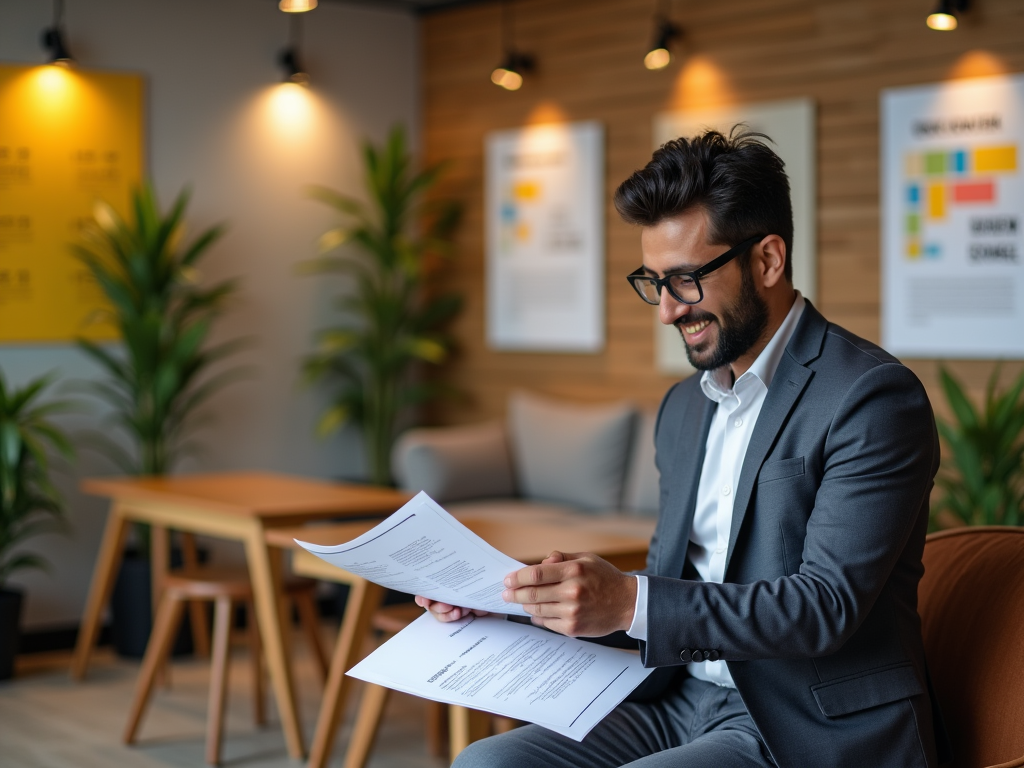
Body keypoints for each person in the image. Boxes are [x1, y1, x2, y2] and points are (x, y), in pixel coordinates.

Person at [415, 128, 947, 768]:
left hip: (801, 722)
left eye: (686, 280)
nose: (666, 311)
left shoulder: (870, 397)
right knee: (486, 764)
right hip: (678, 699)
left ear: (768, 260)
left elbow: (823, 607)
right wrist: (516, 604)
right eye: (653, 282)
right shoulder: (684, 407)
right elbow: (673, 591)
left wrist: (628, 600)